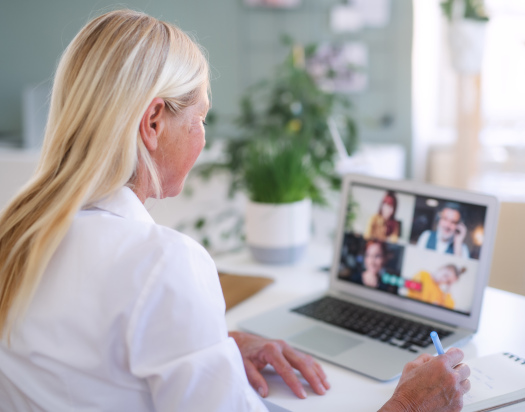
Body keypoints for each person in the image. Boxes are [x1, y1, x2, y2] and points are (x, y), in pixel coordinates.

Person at [0, 10, 470, 412]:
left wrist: (214, 347)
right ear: (154, 121)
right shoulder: (161, 263)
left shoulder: (18, 236)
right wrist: (406, 404)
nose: (202, 136)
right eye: (199, 118)